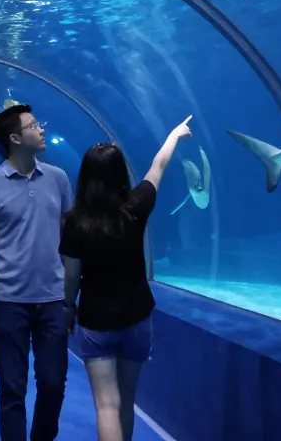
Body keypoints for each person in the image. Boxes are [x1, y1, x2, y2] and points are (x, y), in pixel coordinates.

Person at [61, 117, 193, 441]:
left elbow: (72, 275)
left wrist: (67, 308)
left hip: (96, 320)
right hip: (137, 318)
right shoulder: (136, 206)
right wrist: (174, 134)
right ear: (120, 173)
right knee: (126, 400)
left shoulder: (76, 222)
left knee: (106, 404)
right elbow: (157, 166)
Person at [0, 104, 74, 441]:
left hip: (53, 297)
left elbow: (66, 235)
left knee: (54, 382)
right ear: (15, 138)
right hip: (9, 299)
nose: (41, 129)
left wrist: (70, 293)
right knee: (11, 388)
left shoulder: (58, 179)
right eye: (33, 125)